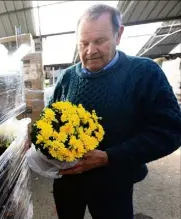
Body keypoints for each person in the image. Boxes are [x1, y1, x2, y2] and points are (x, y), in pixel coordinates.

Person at [49, 4, 181, 219]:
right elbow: (50, 118)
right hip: (68, 183)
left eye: (99, 41)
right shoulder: (68, 78)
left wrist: (109, 156)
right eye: (83, 43)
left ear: (118, 34)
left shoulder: (144, 73)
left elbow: (170, 131)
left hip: (114, 185)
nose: (90, 51)